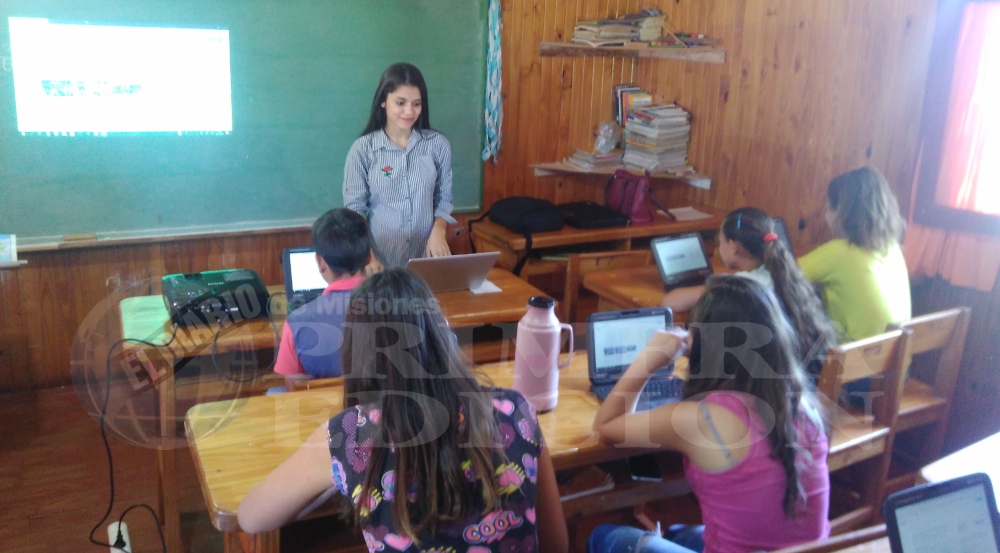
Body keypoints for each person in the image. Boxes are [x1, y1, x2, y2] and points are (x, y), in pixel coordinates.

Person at [239, 269, 569, 553]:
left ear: (359, 350)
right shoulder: (518, 411)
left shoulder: (349, 437)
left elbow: (250, 517)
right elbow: (556, 545)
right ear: (442, 332)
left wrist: (332, 474)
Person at [592, 276, 830, 553]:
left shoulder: (702, 419)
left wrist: (651, 357)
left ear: (703, 344)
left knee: (607, 536)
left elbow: (606, 425)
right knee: (680, 534)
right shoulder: (806, 406)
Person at [661, 207, 837, 375]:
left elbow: (669, 301)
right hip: (801, 371)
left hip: (771, 379)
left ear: (734, 246)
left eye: (720, 241)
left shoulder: (743, 285)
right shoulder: (786, 273)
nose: (719, 246)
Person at [343, 62, 455, 272]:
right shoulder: (363, 149)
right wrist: (368, 256)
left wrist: (439, 230)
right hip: (379, 263)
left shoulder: (437, 144)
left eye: (416, 104)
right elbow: (354, 213)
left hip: (425, 261)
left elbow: (444, 197)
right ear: (383, 101)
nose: (409, 111)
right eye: (400, 102)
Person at [798, 166, 911, 343]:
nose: (825, 216)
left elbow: (780, 274)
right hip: (894, 364)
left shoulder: (839, 252)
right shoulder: (893, 248)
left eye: (828, 208)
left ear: (842, 212)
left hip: (849, 366)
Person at [271, 208, 370, 393]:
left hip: (325, 418)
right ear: (369, 256)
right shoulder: (404, 309)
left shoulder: (296, 323)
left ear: (320, 262)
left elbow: (295, 394)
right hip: (386, 418)